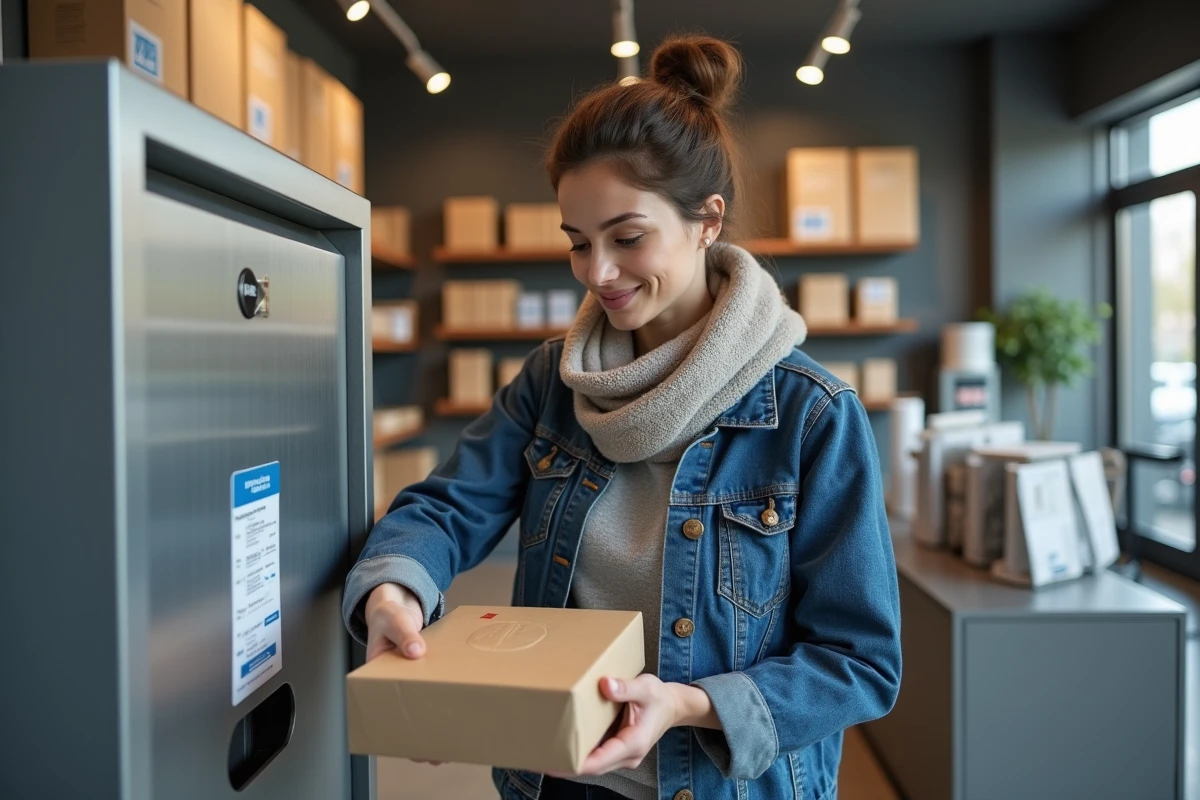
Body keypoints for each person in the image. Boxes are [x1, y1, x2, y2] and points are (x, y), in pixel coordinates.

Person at [343, 33, 901, 800]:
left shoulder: (811, 417)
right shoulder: (551, 381)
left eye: (627, 238)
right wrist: (395, 590)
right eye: (577, 243)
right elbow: (447, 508)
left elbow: (861, 661)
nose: (597, 273)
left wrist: (688, 705)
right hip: (559, 781)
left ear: (708, 220)